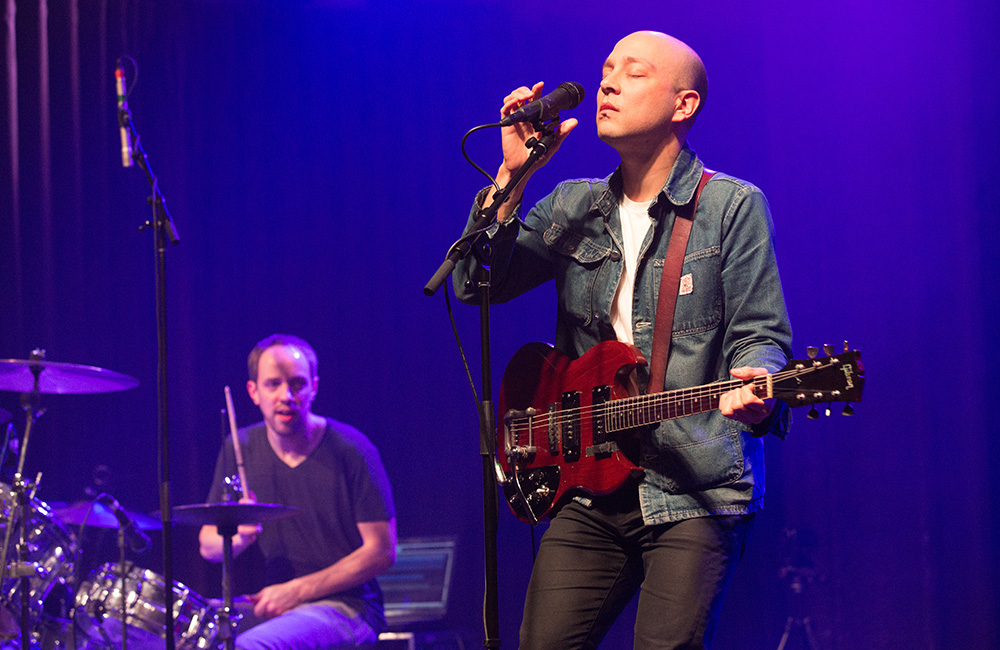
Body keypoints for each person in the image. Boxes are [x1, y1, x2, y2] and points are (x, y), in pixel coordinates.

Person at [453, 31, 793, 650]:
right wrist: (511, 176)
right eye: (607, 69)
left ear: (682, 105)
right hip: (586, 480)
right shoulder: (572, 204)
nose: (608, 83)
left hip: (694, 485)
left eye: (632, 74)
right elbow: (478, 285)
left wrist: (757, 383)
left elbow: (760, 335)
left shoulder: (730, 207)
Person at [199, 334, 396, 650]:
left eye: (297, 384)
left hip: (349, 608)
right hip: (275, 605)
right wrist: (238, 535)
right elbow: (208, 547)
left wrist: (297, 590)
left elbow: (382, 552)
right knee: (179, 631)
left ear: (314, 387)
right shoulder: (240, 447)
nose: (286, 396)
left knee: (249, 648)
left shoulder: (352, 449)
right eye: (273, 384)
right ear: (254, 392)